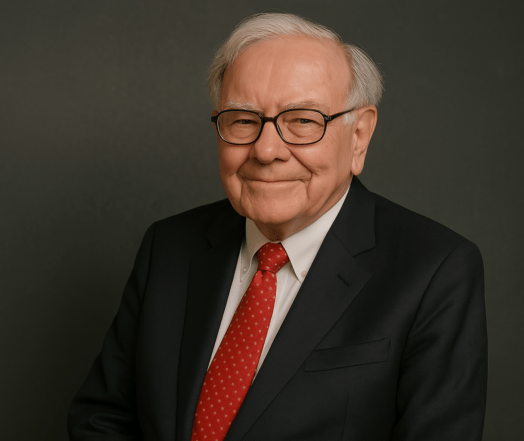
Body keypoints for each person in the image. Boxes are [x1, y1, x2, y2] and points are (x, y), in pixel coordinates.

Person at [68, 12, 487, 441]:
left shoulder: (435, 271)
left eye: (303, 120)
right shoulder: (170, 245)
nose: (266, 150)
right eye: (243, 120)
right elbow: (102, 419)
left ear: (359, 136)